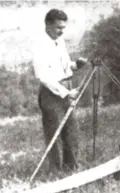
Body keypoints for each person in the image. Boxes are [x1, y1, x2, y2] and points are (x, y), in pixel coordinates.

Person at [32, 9, 87, 171]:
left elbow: (66, 65)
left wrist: (76, 65)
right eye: (58, 27)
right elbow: (42, 76)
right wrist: (65, 92)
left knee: (71, 131)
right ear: (48, 25)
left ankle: (71, 168)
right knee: (54, 134)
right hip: (51, 92)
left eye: (64, 27)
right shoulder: (39, 45)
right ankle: (55, 171)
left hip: (66, 89)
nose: (62, 31)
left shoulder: (60, 41)